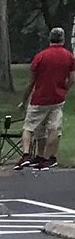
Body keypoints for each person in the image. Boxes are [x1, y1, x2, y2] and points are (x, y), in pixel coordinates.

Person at [20, 28, 75, 170]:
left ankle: (26, 155)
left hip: (39, 98)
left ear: (49, 39)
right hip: (57, 98)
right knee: (53, 128)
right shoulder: (69, 56)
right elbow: (73, 77)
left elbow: (31, 81)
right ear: (63, 39)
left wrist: (24, 100)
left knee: (29, 127)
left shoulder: (41, 56)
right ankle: (46, 157)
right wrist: (65, 89)